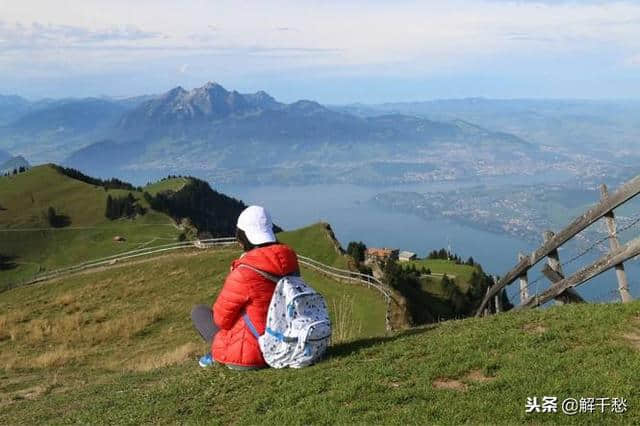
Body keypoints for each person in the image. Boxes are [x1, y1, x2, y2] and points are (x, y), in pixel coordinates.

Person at [191, 205, 299, 370]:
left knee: (199, 312)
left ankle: (216, 353)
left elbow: (221, 319)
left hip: (252, 355)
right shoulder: (290, 262)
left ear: (242, 238)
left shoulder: (244, 272)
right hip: (289, 343)